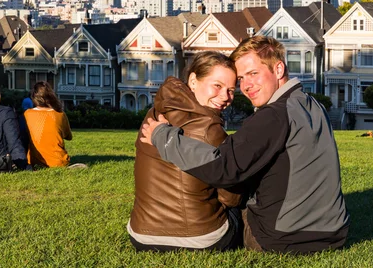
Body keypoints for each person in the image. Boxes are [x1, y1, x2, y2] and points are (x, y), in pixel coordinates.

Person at [141, 36, 350, 253]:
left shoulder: (274, 116)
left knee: (227, 204)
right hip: (333, 234)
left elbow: (224, 168)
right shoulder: (313, 105)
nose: (246, 86)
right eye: (241, 78)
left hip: (281, 240)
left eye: (253, 74)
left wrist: (162, 136)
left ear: (278, 70)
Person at [128, 51, 243, 252]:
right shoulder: (211, 131)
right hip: (201, 238)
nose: (225, 97)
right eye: (217, 85)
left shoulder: (155, 114)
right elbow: (230, 197)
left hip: (142, 236)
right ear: (193, 81)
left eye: (231, 90)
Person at [24, 81, 73, 168]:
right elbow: (68, 137)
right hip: (59, 162)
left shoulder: (27, 114)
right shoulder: (60, 114)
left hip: (34, 161)